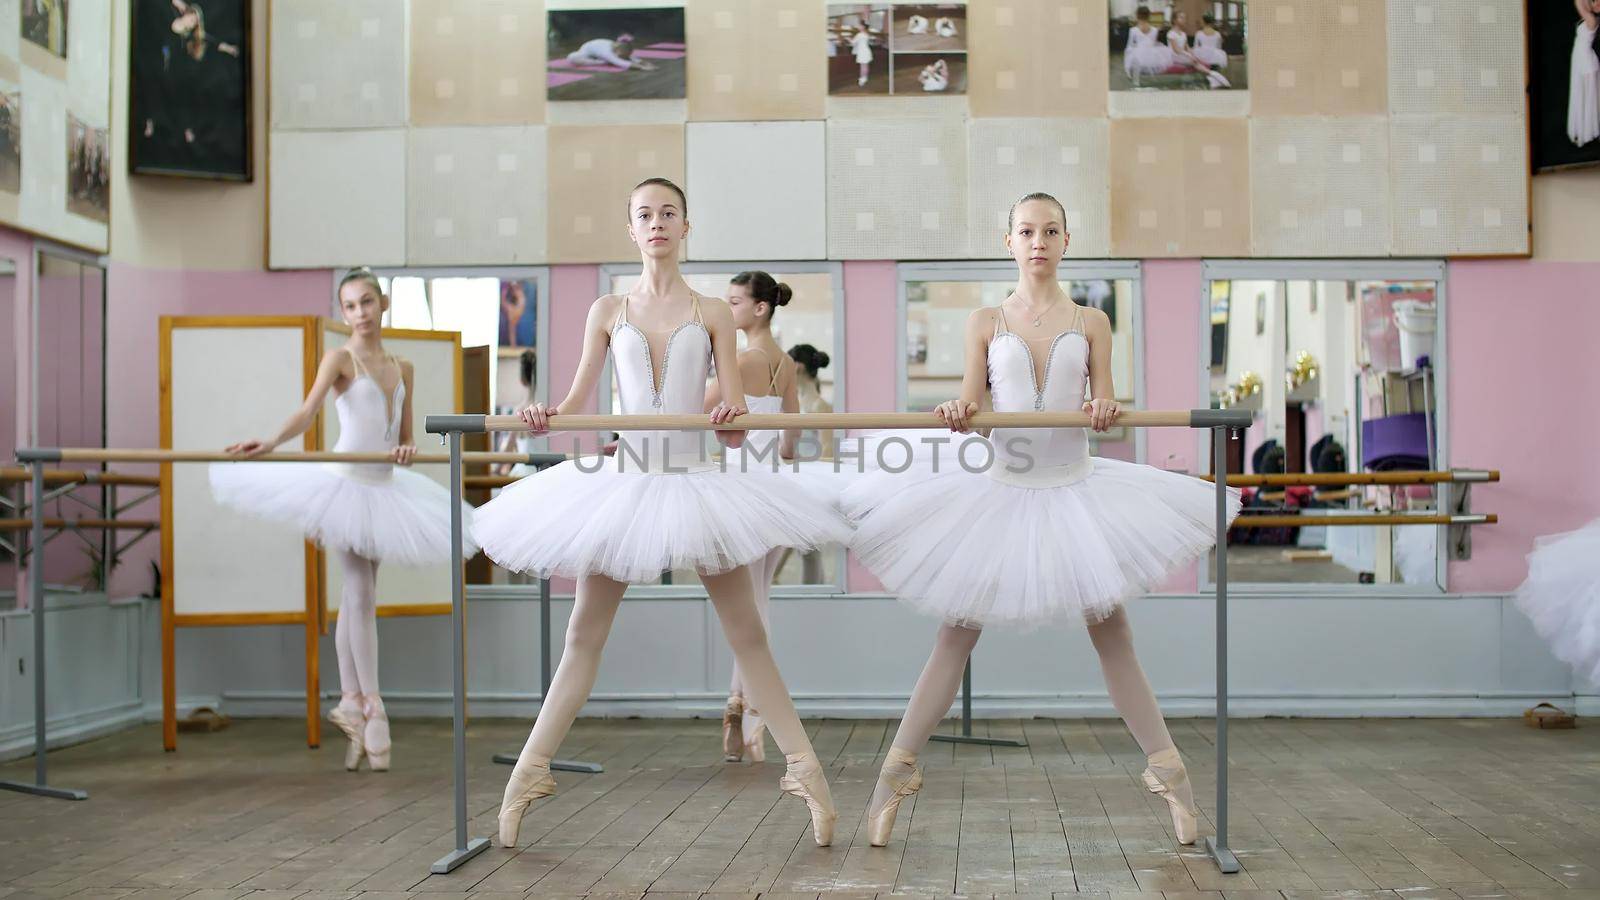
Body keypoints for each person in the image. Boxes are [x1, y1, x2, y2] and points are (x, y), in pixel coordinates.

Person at [843, 192, 1241, 849]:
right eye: (1027, 231)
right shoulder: (983, 322)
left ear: (1065, 241)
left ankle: (1170, 772)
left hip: (1075, 490)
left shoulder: (1092, 322)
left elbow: (1104, 394)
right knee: (955, 634)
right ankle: (896, 772)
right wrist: (956, 409)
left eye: (1050, 231)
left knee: (1113, 634)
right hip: (999, 494)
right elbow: (972, 403)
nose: (1038, 242)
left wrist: (1105, 407)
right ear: (1009, 242)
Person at [473, 179, 845, 849]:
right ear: (631, 228)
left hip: (696, 486)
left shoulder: (712, 313)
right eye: (644, 214)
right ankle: (527, 776)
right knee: (583, 636)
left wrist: (730, 419)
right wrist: (541, 414)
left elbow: (730, 426)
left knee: (748, 637)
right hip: (623, 488)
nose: (656, 224)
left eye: (667, 213)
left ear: (685, 226)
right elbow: (581, 399)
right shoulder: (608, 308)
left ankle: (806, 774)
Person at [211, 267, 475, 773]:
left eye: (368, 302)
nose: (360, 313)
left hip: (384, 488)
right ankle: (372, 704)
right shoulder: (340, 358)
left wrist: (406, 448)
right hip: (344, 486)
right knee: (360, 594)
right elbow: (308, 413)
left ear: (384, 304)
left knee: (358, 598)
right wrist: (268, 442)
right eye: (351, 305)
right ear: (343, 312)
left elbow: (403, 433)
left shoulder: (404, 366)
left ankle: (352, 700)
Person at [1571, 0, 1600, 147]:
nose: (1596, 3)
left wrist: (1587, 3)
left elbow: (1579, 3)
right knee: (1583, 97)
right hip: (1583, 60)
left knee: (1588, 99)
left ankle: (1588, 131)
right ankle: (1583, 130)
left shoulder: (1592, 19)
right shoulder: (1590, 16)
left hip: (1587, 62)